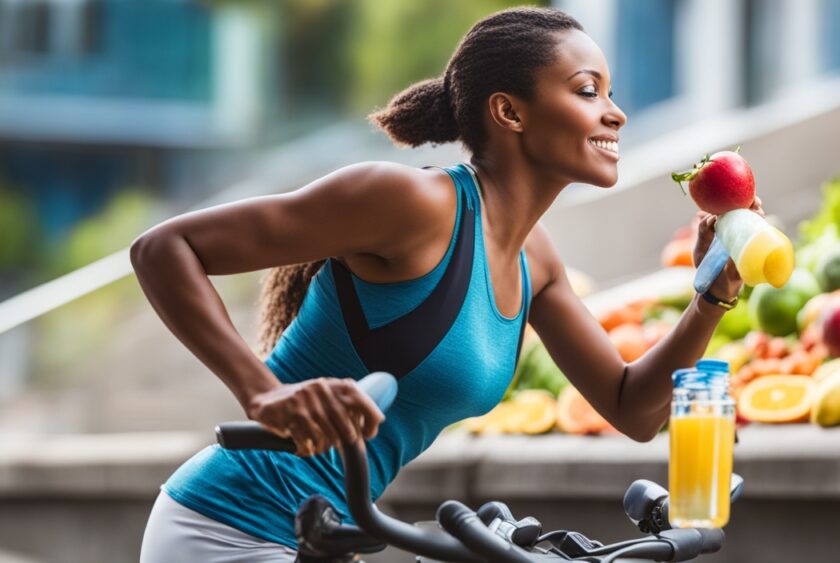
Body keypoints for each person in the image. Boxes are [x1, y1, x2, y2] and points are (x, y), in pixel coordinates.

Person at [132, 7, 760, 562]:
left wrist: (712, 292)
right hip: (225, 529)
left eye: (610, 92)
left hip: (320, 539)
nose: (615, 112)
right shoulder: (413, 203)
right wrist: (261, 393)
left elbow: (632, 408)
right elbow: (163, 248)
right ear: (509, 111)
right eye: (588, 90)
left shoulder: (533, 259)